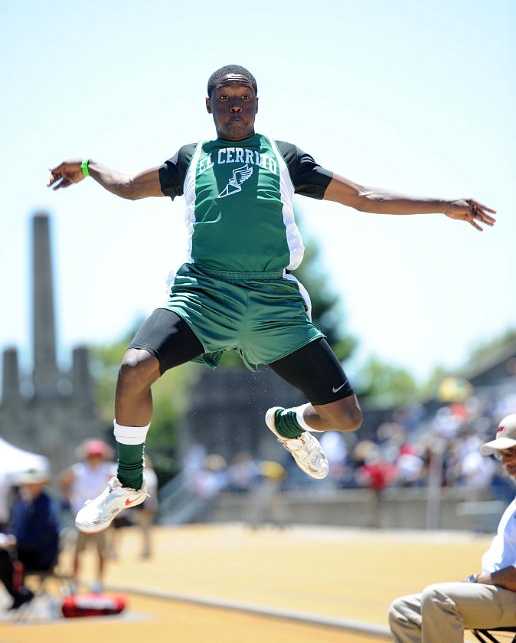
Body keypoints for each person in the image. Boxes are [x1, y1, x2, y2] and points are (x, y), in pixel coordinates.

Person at [47, 64, 496, 535]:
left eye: (244, 98)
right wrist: (84, 167)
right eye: (225, 99)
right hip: (206, 293)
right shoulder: (191, 157)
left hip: (272, 303)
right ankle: (129, 481)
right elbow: (125, 185)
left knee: (346, 417)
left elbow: (363, 196)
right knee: (134, 367)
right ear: (209, 106)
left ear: (258, 104)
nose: (236, 106)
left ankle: (289, 422)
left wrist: (442, 204)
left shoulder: (284, 157)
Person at [388, 413, 516, 643]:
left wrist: (476, 580)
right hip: (500, 592)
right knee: (403, 611)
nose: (506, 460)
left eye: (512, 451)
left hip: (510, 594)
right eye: (501, 454)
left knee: (438, 598)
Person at [58, 439, 116, 590]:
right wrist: (70, 498)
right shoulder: (79, 470)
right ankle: (74, 581)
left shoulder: (107, 470)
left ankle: (99, 582)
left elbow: (118, 484)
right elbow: (63, 481)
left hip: (100, 516)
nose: (95, 458)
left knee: (101, 551)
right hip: (81, 516)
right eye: (92, 455)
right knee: (78, 551)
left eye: (97, 455)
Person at [0, 469, 60, 610]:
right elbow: (17, 528)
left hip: (41, 557)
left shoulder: (46, 505)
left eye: (31, 484)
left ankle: (20, 594)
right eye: (26, 484)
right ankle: (19, 593)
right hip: (26, 551)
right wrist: (10, 538)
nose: (27, 487)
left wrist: (17, 542)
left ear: (40, 485)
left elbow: (43, 536)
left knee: (2, 559)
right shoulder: (25, 504)